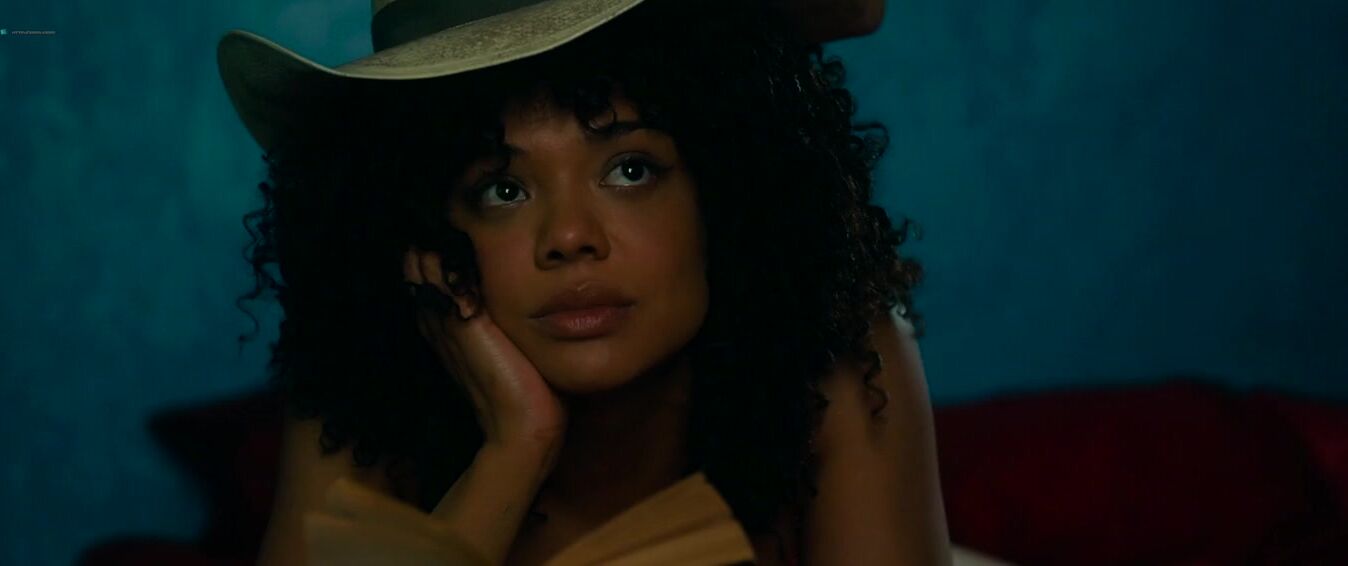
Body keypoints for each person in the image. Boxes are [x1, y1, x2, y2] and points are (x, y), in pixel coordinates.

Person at [221, 0, 952, 563]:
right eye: (503, 189)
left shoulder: (839, 349)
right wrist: (514, 451)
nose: (570, 237)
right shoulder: (362, 392)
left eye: (630, 170)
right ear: (422, 235)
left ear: (728, 193)